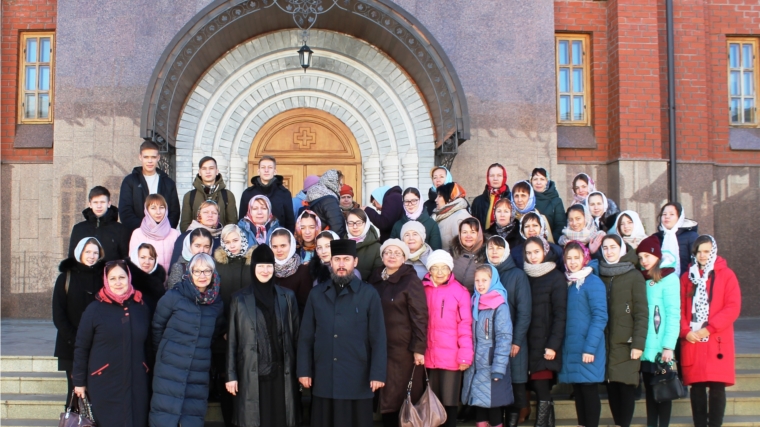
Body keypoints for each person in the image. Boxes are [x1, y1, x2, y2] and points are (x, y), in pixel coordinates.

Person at [297, 239, 387, 427]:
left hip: (358, 376)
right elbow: (305, 337)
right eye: (337, 259)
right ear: (330, 262)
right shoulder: (317, 294)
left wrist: (377, 373)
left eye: (346, 259)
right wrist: (304, 370)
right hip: (324, 374)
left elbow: (378, 338)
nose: (341, 264)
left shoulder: (369, 294)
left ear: (355, 262)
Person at [225, 245, 301, 427]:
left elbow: (297, 337)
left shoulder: (287, 297)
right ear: (253, 268)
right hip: (251, 373)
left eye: (269, 266)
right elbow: (232, 342)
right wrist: (231, 375)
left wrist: (301, 371)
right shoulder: (239, 299)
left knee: (281, 418)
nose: (265, 271)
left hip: (282, 373)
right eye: (261, 266)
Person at [72, 260, 151, 427]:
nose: (118, 282)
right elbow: (81, 347)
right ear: (106, 280)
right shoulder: (94, 310)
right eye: (112, 278)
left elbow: (149, 344)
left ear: (129, 278)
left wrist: (147, 368)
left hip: (137, 381)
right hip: (105, 382)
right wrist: (79, 381)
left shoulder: (141, 307)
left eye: (121, 277)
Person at [150, 253, 224, 427]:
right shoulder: (174, 296)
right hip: (169, 367)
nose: (202, 276)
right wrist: (162, 355)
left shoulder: (216, 303)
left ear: (213, 274)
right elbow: (157, 327)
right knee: (164, 416)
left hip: (198, 370)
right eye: (197, 271)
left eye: (207, 271)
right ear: (190, 273)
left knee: (191, 418)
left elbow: (214, 333)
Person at [680, 235, 742, 427]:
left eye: (706, 251)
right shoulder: (687, 277)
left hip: (717, 339)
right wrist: (684, 330)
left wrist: (710, 328)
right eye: (699, 251)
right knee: (696, 387)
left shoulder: (726, 275)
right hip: (692, 339)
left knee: (717, 387)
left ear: (713, 251)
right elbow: (679, 308)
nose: (702, 255)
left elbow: (732, 307)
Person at [368, 239, 428, 427]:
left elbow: (420, 316)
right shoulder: (375, 279)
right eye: (388, 252)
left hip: (403, 351)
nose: (392, 256)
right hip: (379, 348)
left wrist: (419, 348)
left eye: (397, 253)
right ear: (382, 256)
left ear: (404, 257)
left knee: (400, 398)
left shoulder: (410, 280)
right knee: (386, 396)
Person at [599, 234, 648, 427]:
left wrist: (638, 343)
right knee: (612, 388)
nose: (609, 251)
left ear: (621, 249)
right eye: (605, 248)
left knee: (626, 387)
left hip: (626, 343)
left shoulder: (633, 275)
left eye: (613, 247)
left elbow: (641, 313)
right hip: (607, 343)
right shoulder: (599, 273)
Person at [422, 249, 473, 427]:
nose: (440, 272)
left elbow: (465, 325)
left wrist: (465, 355)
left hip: (452, 356)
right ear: (429, 270)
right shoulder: (422, 290)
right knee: (431, 402)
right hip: (428, 355)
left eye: (444, 268)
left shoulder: (460, 292)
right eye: (435, 268)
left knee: (449, 402)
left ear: (450, 269)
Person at [559, 242, 608, 427]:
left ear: (584, 258)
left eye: (576, 258)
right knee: (578, 391)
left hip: (589, 347)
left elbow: (600, 316)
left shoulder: (592, 282)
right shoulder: (570, 282)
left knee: (589, 390)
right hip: (573, 347)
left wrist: (590, 348)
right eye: (569, 258)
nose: (572, 262)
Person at [52, 237, 105, 403]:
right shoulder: (65, 278)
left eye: (95, 252)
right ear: (79, 253)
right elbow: (58, 314)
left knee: (96, 393)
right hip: (71, 346)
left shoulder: (104, 277)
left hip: (98, 346)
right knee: (75, 393)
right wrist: (75, 339)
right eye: (88, 251)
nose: (91, 256)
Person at [486, 236, 532, 427]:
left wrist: (517, 341)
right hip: (492, 344)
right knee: (497, 388)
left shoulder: (517, 275)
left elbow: (524, 311)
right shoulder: (485, 274)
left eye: (498, 248)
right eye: (490, 248)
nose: (494, 252)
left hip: (513, 343)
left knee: (514, 388)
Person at [522, 236, 567, 427]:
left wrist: (553, 346)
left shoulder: (555, 277)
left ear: (545, 252)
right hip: (528, 343)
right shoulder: (524, 275)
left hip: (546, 344)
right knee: (539, 390)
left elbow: (560, 315)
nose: (533, 257)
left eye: (537, 252)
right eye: (529, 253)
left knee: (542, 390)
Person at [636, 235, 680, 427]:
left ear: (657, 256)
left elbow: (673, 314)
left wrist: (669, 346)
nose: (644, 260)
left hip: (661, 349)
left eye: (647, 256)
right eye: (640, 257)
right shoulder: (641, 278)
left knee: (663, 393)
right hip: (645, 347)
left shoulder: (669, 278)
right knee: (650, 394)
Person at [462, 264, 514, 427]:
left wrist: (499, 367)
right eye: (477, 280)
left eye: (485, 280)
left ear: (493, 281)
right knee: (479, 404)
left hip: (491, 363)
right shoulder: (474, 302)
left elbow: (504, 338)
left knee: (493, 405)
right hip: (476, 363)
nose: (480, 284)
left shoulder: (499, 305)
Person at [211, 224, 253, 426]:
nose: (232, 245)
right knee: (227, 383)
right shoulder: (217, 265)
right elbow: (215, 300)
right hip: (224, 336)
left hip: (249, 335)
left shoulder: (251, 262)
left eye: (235, 240)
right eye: (227, 242)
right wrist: (224, 329)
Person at [119, 140, 181, 231]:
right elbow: (125, 211)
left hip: (163, 235)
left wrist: (163, 230)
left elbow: (174, 212)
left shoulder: (168, 183)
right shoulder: (130, 181)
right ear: (140, 157)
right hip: (137, 235)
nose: (150, 161)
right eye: (146, 157)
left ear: (158, 157)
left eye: (153, 157)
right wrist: (144, 229)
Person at [68, 186, 129, 261]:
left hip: (109, 271)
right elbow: (72, 258)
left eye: (102, 202)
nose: (99, 206)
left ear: (109, 204)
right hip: (85, 272)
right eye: (95, 202)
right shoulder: (79, 229)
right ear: (90, 204)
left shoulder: (121, 230)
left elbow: (125, 259)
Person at [180, 156, 238, 232]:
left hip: (221, 241)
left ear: (217, 171)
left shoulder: (227, 195)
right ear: (200, 172)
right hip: (198, 241)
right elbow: (185, 225)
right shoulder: (190, 196)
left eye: (211, 168)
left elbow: (232, 224)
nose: (208, 172)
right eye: (204, 169)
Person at [239, 155, 295, 232]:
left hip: (278, 239)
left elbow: (290, 223)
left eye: (270, 167)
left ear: (275, 171)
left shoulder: (284, 194)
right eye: (263, 167)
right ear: (258, 171)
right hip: (252, 240)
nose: (266, 170)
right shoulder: (248, 194)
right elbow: (242, 220)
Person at [129, 194, 180, 276]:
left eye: (161, 207)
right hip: (146, 284)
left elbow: (179, 263)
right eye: (153, 208)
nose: (158, 212)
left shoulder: (175, 234)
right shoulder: (137, 233)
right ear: (147, 210)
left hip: (171, 284)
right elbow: (133, 262)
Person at [269, 227, 313, 313]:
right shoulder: (267, 269)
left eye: (283, 245)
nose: (279, 250)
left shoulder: (302, 271)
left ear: (291, 245)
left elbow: (304, 307)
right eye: (274, 246)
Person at [654, 202, 699, 277]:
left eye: (671, 214)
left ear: (679, 217)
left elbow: (697, 261)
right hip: (662, 283)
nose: (667, 217)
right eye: (664, 214)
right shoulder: (656, 238)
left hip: (686, 283)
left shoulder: (691, 236)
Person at [170, 200, 223, 265]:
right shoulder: (187, 236)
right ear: (199, 215)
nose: (210, 215)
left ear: (218, 216)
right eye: (206, 212)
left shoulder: (224, 237)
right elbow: (176, 265)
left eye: (214, 213)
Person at [127, 243, 168, 315]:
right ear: (135, 257)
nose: (147, 262)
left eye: (151, 258)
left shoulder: (158, 281)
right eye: (143, 257)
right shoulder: (127, 279)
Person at [304, 169, 347, 237]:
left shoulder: (315, 195)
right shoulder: (329, 200)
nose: (341, 189)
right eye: (340, 185)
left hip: (318, 239)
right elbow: (337, 226)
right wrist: (335, 245)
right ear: (333, 183)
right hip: (328, 242)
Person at [471, 163, 511, 230]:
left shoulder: (511, 199)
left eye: (499, 175)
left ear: (504, 177)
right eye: (492, 175)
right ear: (487, 177)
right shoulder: (478, 201)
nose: (495, 178)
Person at [432, 182, 471, 251]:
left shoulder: (461, 216)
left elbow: (464, 248)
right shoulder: (443, 216)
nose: (436, 200)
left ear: (450, 197)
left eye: (440, 196)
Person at [451, 217, 487, 293]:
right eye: (464, 232)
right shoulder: (451, 253)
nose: (468, 236)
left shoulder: (487, 255)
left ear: (479, 234)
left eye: (472, 232)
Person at [346, 208, 383, 279]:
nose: (355, 227)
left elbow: (377, 278)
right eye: (350, 223)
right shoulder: (341, 245)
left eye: (359, 223)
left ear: (366, 224)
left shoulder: (377, 248)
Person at [531, 168, 566, 242]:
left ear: (547, 181)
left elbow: (560, 225)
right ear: (531, 181)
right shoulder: (526, 199)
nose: (538, 182)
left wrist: (550, 240)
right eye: (535, 179)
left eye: (542, 179)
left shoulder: (556, 201)